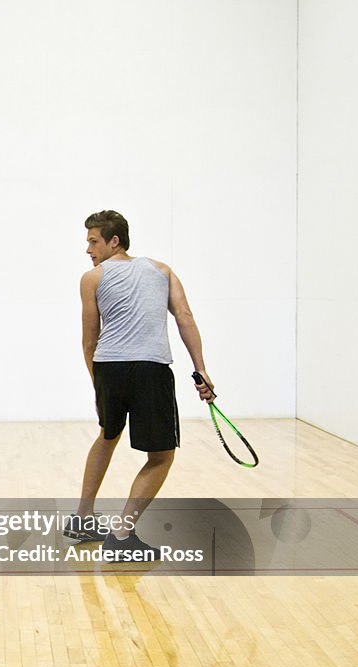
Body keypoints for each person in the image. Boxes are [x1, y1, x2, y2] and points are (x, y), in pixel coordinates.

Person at [65, 210, 215, 560]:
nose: (88, 249)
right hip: (150, 369)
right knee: (161, 456)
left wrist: (98, 387)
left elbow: (89, 342)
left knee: (108, 434)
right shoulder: (162, 271)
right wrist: (202, 370)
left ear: (113, 240)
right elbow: (185, 317)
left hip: (109, 369)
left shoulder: (92, 278)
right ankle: (121, 535)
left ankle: (82, 519)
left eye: (93, 241)